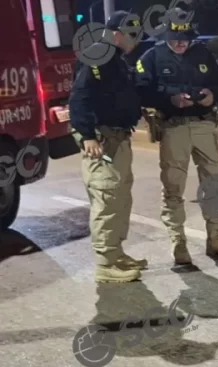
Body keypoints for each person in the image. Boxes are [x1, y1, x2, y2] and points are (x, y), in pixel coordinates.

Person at [135, 11, 218, 266]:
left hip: (204, 125)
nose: (181, 43)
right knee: (173, 187)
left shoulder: (202, 54)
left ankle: (216, 238)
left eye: (185, 38)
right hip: (173, 127)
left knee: (214, 183)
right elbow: (140, 91)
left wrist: (212, 96)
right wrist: (169, 99)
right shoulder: (152, 57)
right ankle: (178, 242)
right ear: (166, 35)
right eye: (175, 38)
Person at [69, 11, 145, 283]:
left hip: (119, 137)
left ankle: (116, 253)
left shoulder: (116, 60)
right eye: (131, 35)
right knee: (106, 199)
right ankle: (105, 263)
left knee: (120, 199)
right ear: (115, 34)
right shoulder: (98, 56)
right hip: (102, 140)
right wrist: (87, 135)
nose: (136, 40)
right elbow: (79, 97)